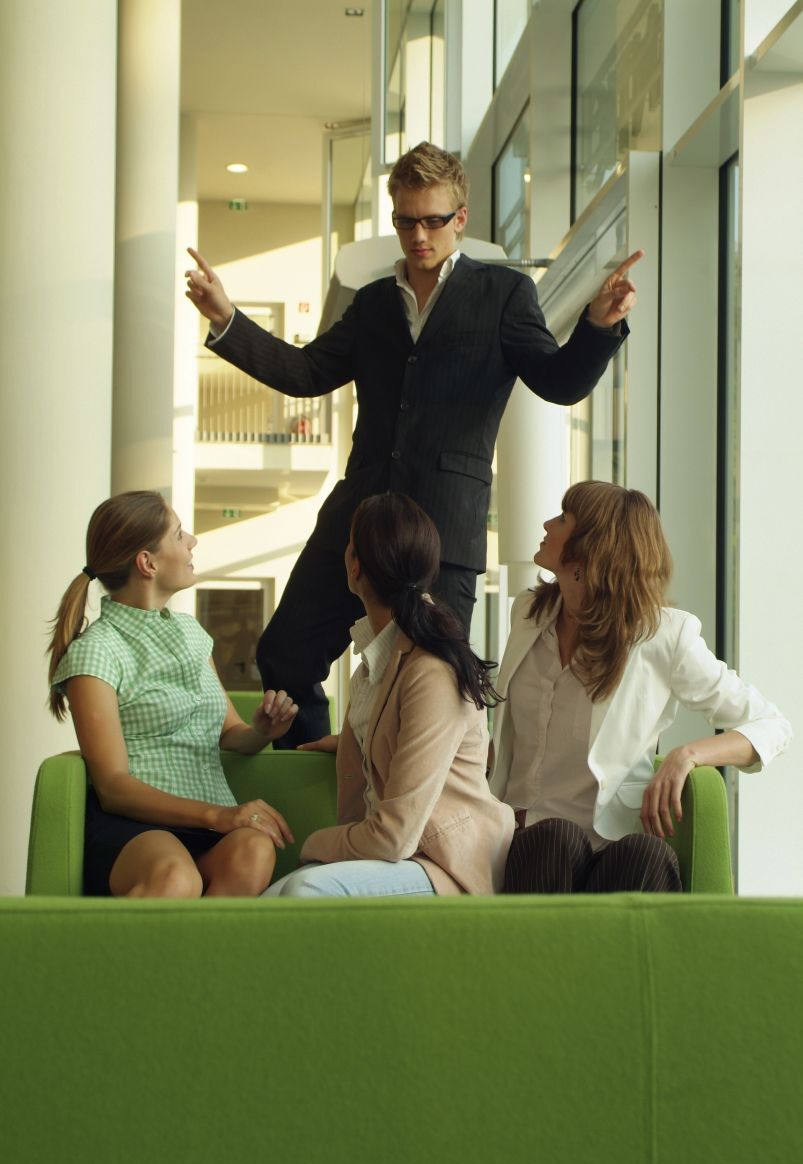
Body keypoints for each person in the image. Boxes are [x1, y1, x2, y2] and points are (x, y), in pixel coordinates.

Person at [184, 141, 643, 748]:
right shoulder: (373, 302)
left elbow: (558, 382)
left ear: (460, 218)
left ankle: (419, 802)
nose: (418, 235)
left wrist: (599, 326)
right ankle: (316, 777)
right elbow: (305, 373)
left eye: (432, 220)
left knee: (435, 680)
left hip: (443, 526)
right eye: (406, 221)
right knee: (286, 654)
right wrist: (226, 318)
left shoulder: (503, 294)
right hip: (358, 518)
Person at [490, 481, 791, 893]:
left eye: (562, 518)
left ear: (591, 545)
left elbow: (772, 725)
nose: (547, 524)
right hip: (533, 847)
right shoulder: (527, 612)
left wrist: (687, 755)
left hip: (611, 850)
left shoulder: (661, 635)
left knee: (648, 855)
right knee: (556, 838)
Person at [48, 491, 297, 898]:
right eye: (179, 534)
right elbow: (112, 787)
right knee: (176, 877)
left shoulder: (192, 633)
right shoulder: (96, 651)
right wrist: (219, 815)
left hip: (209, 823)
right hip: (135, 829)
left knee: (255, 849)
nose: (193, 541)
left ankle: (195, 944)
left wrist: (261, 732)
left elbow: (230, 732)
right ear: (147, 563)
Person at [264, 492, 514, 898]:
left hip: (447, 865)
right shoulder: (373, 663)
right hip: (398, 858)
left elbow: (394, 836)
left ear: (354, 565)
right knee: (266, 901)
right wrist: (358, 742)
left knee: (305, 889)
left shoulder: (432, 671)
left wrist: (312, 843)